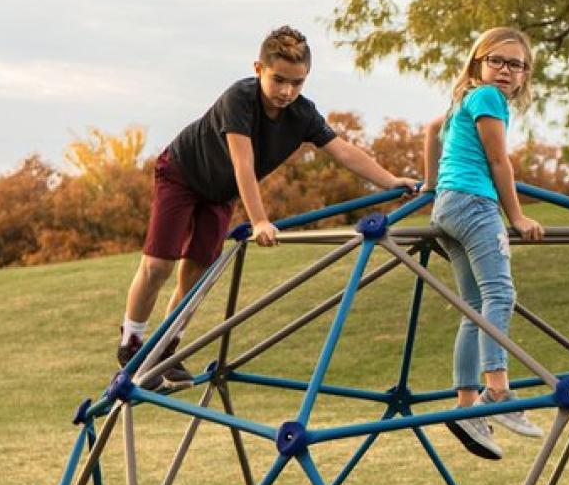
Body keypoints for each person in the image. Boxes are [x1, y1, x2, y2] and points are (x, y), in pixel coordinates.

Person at [117, 26, 418, 388]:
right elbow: (243, 163)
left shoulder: (302, 114)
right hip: (182, 174)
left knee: (197, 276)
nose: (287, 92)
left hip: (220, 193)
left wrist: (389, 181)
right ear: (258, 68)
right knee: (158, 264)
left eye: (297, 83)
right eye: (278, 80)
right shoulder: (239, 99)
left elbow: (343, 151)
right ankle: (132, 342)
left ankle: (164, 349)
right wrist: (259, 220)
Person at [423, 27, 546, 459]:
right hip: (475, 204)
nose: (505, 71)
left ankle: (466, 407)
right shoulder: (488, 98)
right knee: (500, 293)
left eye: (516, 65)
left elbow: (433, 128)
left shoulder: (462, 99)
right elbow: (498, 161)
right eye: (497, 60)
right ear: (478, 62)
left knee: (472, 308)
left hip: (448, 207)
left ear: (524, 75)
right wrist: (517, 216)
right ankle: (498, 392)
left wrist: (431, 185)